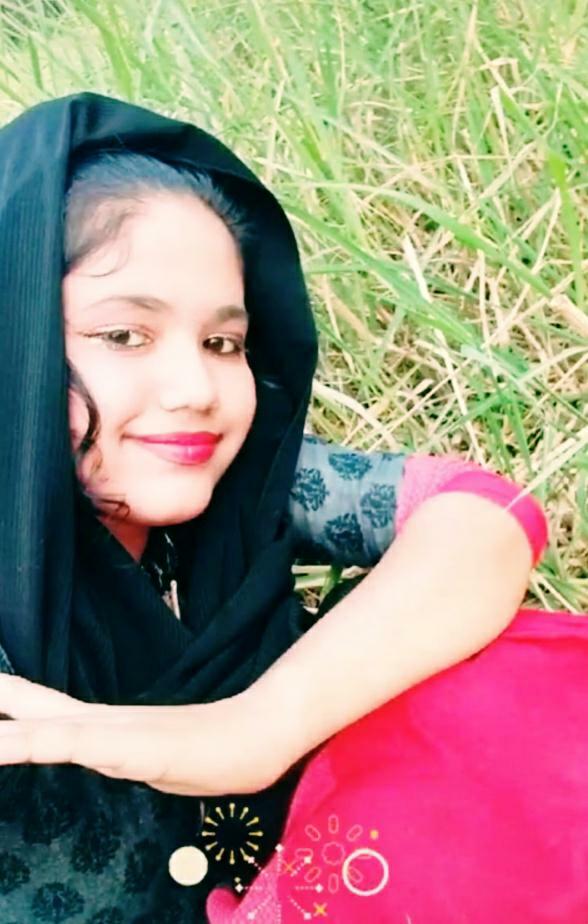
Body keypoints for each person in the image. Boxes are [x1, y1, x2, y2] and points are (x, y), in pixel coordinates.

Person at [0, 92, 538, 923]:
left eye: (223, 343)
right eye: (124, 335)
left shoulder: (240, 487)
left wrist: (252, 731)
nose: (196, 389)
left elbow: (486, 516)